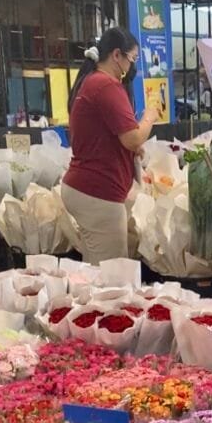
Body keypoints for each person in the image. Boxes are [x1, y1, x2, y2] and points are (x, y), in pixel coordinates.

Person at [61, 27, 159, 264]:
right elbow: (132, 138)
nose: (132, 66)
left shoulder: (91, 82)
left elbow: (103, 136)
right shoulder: (106, 86)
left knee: (95, 268)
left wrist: (127, 150)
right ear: (117, 55)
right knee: (111, 273)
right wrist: (149, 117)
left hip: (86, 188)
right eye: (132, 59)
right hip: (99, 193)